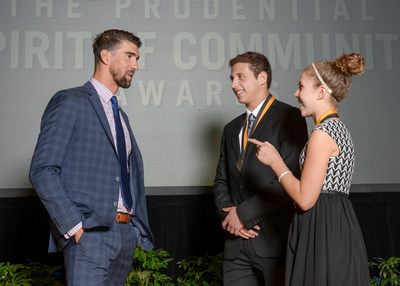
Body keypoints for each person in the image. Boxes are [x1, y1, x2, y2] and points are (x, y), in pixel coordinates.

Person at [29, 29, 154, 285]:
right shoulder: (69, 101)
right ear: (105, 56)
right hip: (90, 234)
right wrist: (75, 227)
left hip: (124, 234)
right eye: (130, 56)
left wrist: (132, 230)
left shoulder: (120, 115)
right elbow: (42, 169)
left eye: (137, 58)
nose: (136, 66)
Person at [249, 53, 370, 285]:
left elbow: (305, 199)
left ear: (321, 92)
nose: (296, 94)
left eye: (301, 87)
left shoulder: (322, 134)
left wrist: (276, 161)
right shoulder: (339, 129)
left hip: (322, 229)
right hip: (336, 225)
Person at [213, 51, 308, 285]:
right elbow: (221, 181)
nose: (234, 84)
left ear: (262, 78)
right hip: (235, 245)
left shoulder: (291, 117)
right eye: (232, 79)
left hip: (274, 243)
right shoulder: (231, 128)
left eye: (240, 77)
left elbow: (291, 177)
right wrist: (231, 216)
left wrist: (243, 215)